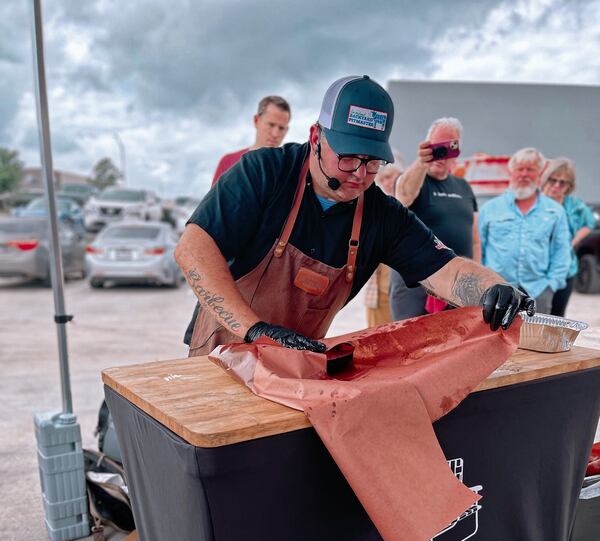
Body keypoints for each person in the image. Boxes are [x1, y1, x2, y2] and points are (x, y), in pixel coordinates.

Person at [176, 75, 533, 358]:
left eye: (373, 161)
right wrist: (255, 330)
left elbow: (446, 270)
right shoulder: (264, 172)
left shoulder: (380, 214)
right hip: (224, 347)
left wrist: (494, 289)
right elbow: (193, 249)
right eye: (348, 157)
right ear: (316, 136)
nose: (359, 174)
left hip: (296, 362)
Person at [389, 117, 480, 320]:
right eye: (435, 147)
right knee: (411, 348)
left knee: (455, 347)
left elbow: (474, 237)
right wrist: (422, 162)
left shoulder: (464, 187)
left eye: (447, 148)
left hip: (457, 287)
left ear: (456, 151)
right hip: (415, 288)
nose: (440, 155)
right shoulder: (413, 179)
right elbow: (403, 195)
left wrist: (476, 279)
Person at [479, 147, 571, 314]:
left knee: (535, 339)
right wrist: (485, 283)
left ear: (540, 173)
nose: (524, 174)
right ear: (511, 172)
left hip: (538, 291)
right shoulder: (490, 209)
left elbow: (562, 252)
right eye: (519, 169)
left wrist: (551, 285)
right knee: (495, 338)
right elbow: (479, 249)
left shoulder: (555, 211)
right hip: (497, 290)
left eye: (530, 169)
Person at [541, 158, 596, 317]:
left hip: (566, 269)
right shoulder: (535, 202)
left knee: (557, 316)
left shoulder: (574, 204)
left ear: (569, 186)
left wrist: (573, 241)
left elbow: (589, 223)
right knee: (534, 315)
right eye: (553, 180)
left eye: (563, 182)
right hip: (537, 271)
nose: (557, 185)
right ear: (545, 179)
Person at [211, 95, 291, 185]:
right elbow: (214, 199)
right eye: (271, 125)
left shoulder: (290, 170)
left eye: (281, 128)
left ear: (286, 130)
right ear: (256, 120)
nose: (275, 134)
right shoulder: (228, 162)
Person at [363, 155, 403, 327]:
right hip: (378, 288)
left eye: (390, 176)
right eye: (383, 178)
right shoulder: (376, 206)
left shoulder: (408, 205)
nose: (387, 182)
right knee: (375, 335)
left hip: (402, 287)